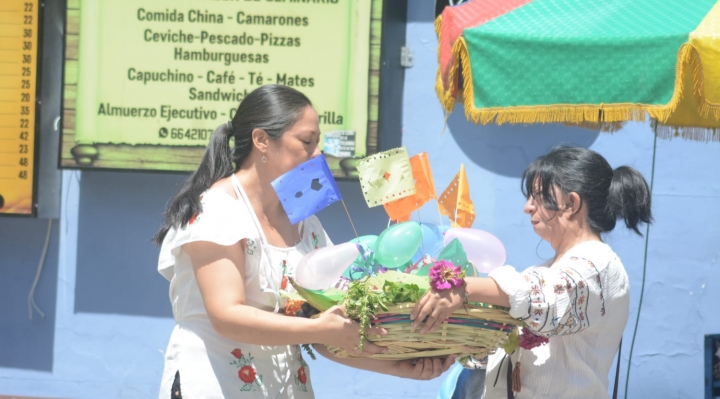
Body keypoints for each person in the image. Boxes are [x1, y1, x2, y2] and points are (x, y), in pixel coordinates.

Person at [153, 84, 453, 399]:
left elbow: (326, 329)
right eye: (306, 141)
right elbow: (227, 315)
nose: (317, 153)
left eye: (317, 143)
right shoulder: (216, 209)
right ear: (261, 140)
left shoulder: (307, 225)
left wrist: (398, 364)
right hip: (214, 387)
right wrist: (320, 328)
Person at [411, 146, 653, 399]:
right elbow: (507, 341)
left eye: (537, 196)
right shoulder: (544, 270)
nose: (528, 207)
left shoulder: (599, 265)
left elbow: (544, 294)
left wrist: (462, 287)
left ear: (571, 203)